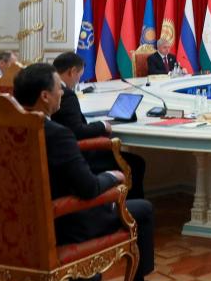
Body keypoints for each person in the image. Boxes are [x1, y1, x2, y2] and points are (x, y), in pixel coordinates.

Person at [13, 63, 171, 281]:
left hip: (18, 225)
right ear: (45, 96)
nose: (63, 93)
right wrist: (112, 177)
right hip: (67, 224)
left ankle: (83, 277)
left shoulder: (7, 130)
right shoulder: (57, 134)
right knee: (143, 210)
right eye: (59, 88)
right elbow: (88, 188)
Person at [51, 51, 147, 199]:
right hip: (79, 156)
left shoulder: (49, 88)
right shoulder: (66, 94)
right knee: (136, 163)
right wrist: (102, 126)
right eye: (79, 76)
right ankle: (130, 209)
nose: (78, 81)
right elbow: (77, 130)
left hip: (58, 156)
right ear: (72, 71)